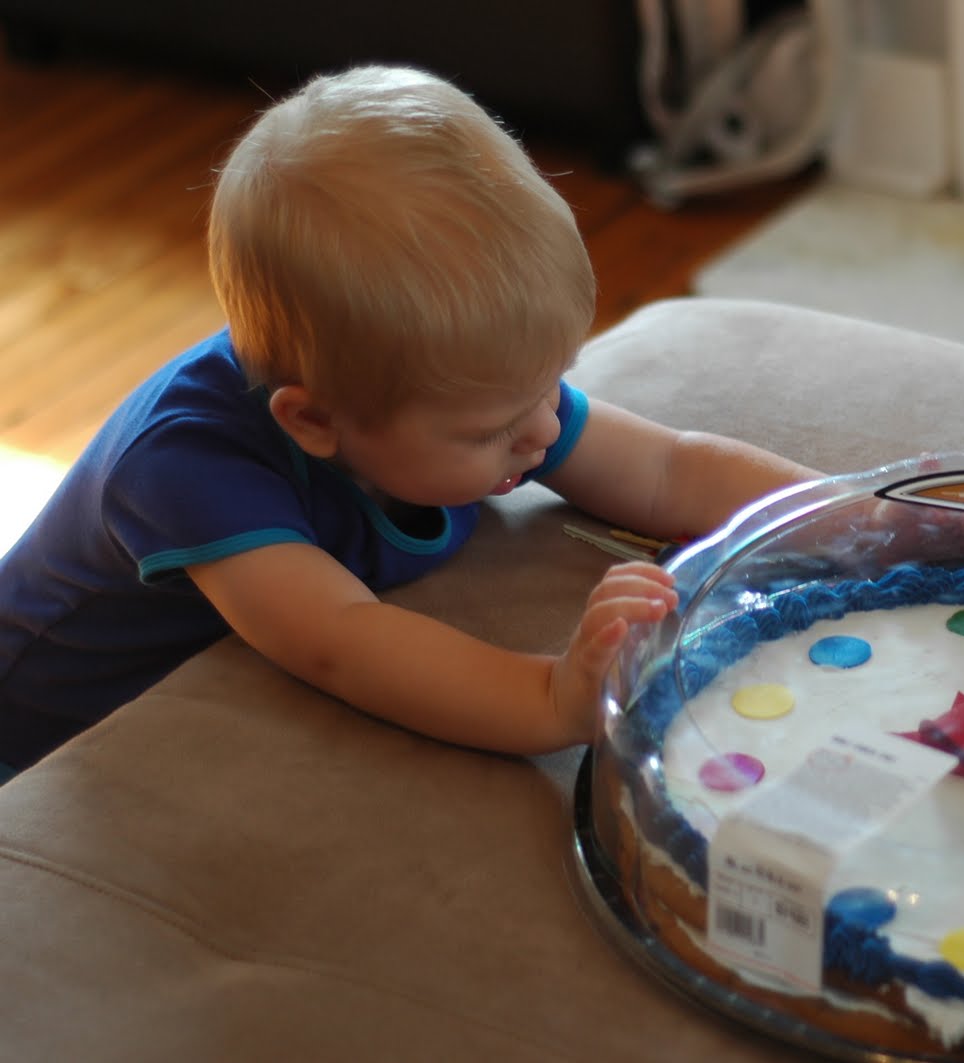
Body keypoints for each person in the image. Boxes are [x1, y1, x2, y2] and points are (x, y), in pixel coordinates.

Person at [0, 65, 817, 779]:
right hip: (33, 730)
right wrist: (552, 694)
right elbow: (346, 641)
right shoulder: (184, 466)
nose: (542, 432)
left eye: (553, 385)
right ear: (314, 422)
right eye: (491, 431)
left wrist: (858, 517)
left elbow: (667, 467)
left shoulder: (452, 384)